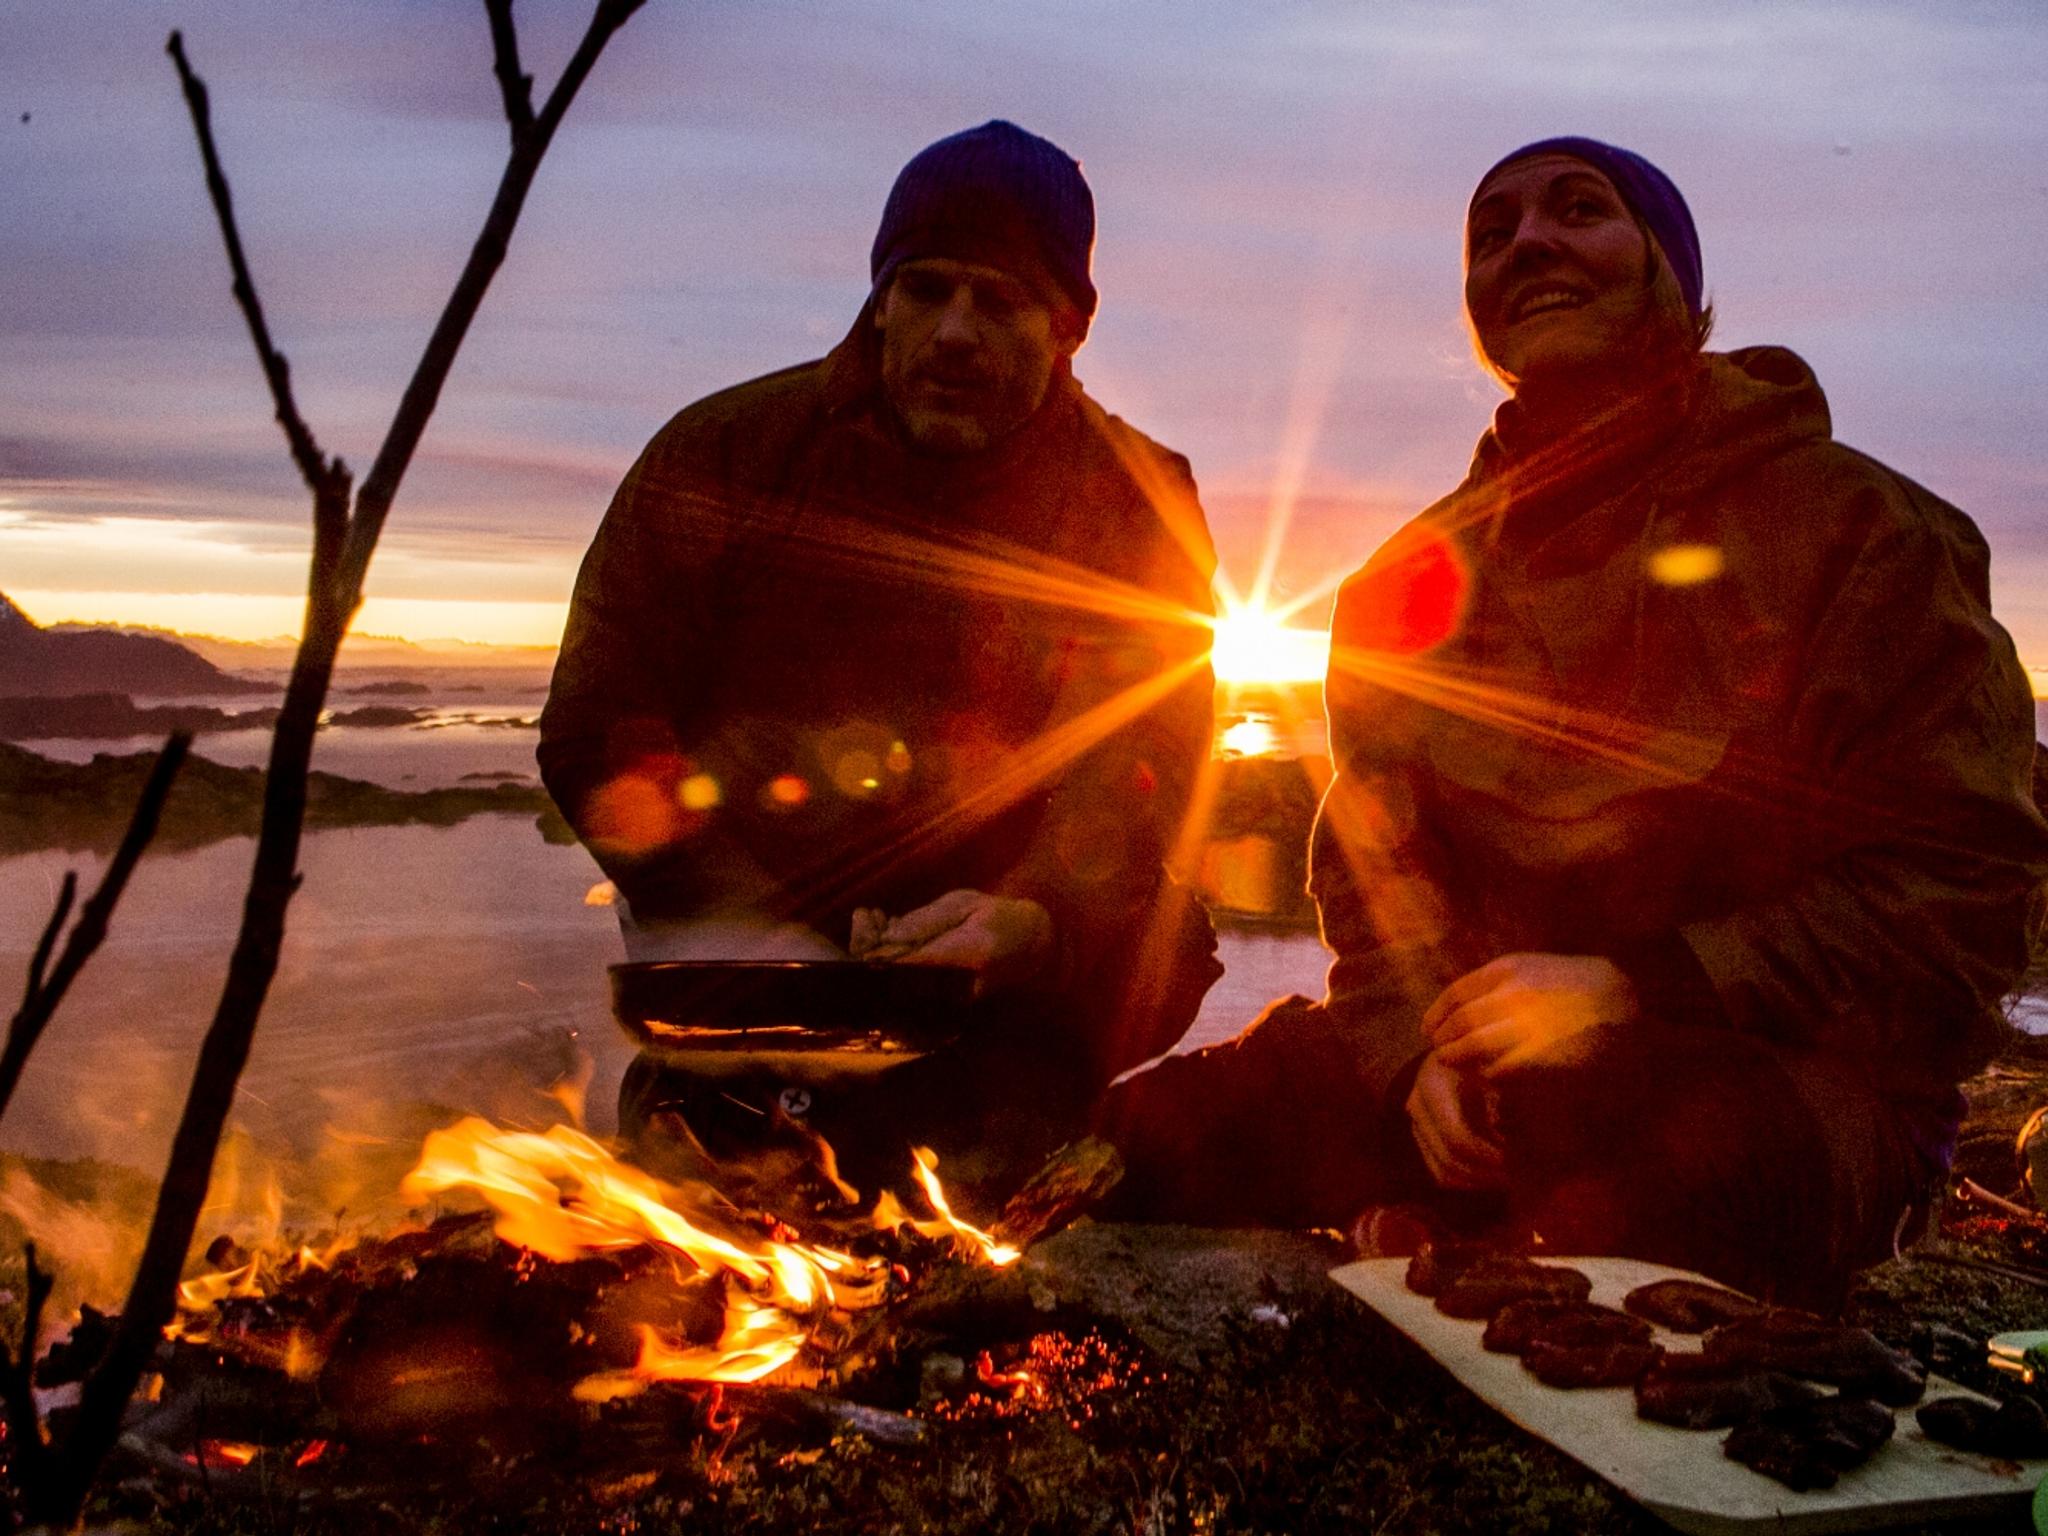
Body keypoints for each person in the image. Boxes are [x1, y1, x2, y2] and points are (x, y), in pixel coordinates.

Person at [1099, 137, 2048, 1308]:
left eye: (1578, 210)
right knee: (1143, 1133)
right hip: (1479, 1074)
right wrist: (1406, 1063)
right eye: (1490, 234)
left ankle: (1433, 1246)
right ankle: (1413, 1212)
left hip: (1787, 1092)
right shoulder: (1407, 580)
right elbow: (1367, 869)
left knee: (1624, 1155)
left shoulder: (1864, 536)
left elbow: (1965, 885)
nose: (1528, 243)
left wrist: (1640, 987)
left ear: (1673, 276)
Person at [539, 121, 1221, 1197]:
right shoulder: (721, 454)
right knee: (709, 1228)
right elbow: (597, 725)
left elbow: (1140, 758)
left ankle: (1007, 1124)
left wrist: (1033, 913)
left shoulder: (1136, 501)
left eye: (998, 302)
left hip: (1004, 972)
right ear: (879, 297)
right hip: (750, 960)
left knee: (986, 1235)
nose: (953, 331)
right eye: (924, 289)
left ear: (1068, 327)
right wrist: (756, 931)